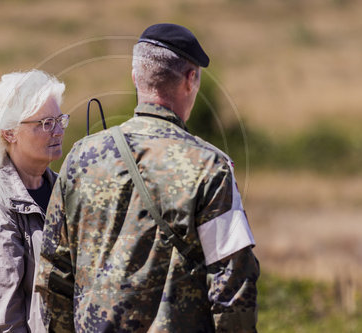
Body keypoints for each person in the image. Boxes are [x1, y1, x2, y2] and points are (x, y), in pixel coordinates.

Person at [36, 23, 260, 332]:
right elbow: (233, 283)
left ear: (135, 77)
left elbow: (54, 274)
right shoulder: (210, 167)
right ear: (191, 79)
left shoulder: (80, 159)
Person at [0, 69, 69, 332]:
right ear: (9, 133)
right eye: (45, 123)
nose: (58, 131)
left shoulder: (64, 190)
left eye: (60, 120)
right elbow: (5, 319)